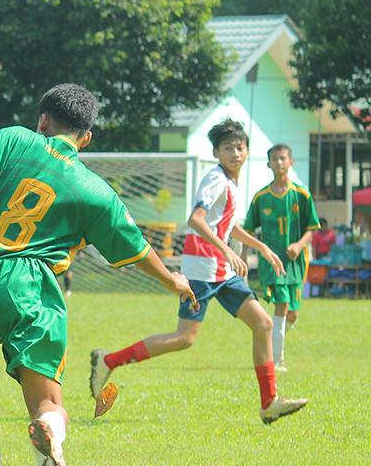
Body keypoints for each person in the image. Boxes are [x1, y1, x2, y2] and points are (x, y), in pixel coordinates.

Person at [0, 83, 194, 466]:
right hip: (27, 285)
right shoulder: (95, 190)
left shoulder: (14, 138)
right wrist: (172, 282)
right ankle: (48, 428)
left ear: (43, 120)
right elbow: (139, 250)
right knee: (47, 402)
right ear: (87, 138)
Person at [90, 119, 308, 425]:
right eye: (228, 148)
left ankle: (269, 403)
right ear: (216, 152)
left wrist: (261, 248)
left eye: (240, 147)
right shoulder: (217, 179)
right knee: (185, 338)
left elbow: (228, 225)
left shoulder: (231, 182)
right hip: (202, 268)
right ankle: (107, 361)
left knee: (263, 323)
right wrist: (228, 249)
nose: (235, 152)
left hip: (221, 270)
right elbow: (196, 219)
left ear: (247, 152)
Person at [242, 144, 320, 370]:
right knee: (282, 304)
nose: (278, 163)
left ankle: (276, 335)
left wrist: (299, 244)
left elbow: (312, 227)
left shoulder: (302, 194)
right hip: (271, 263)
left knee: (292, 314)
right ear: (268, 164)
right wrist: (244, 257)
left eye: (283, 158)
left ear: (291, 162)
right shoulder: (261, 197)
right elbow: (247, 230)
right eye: (274, 159)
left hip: (296, 263)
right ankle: (277, 359)